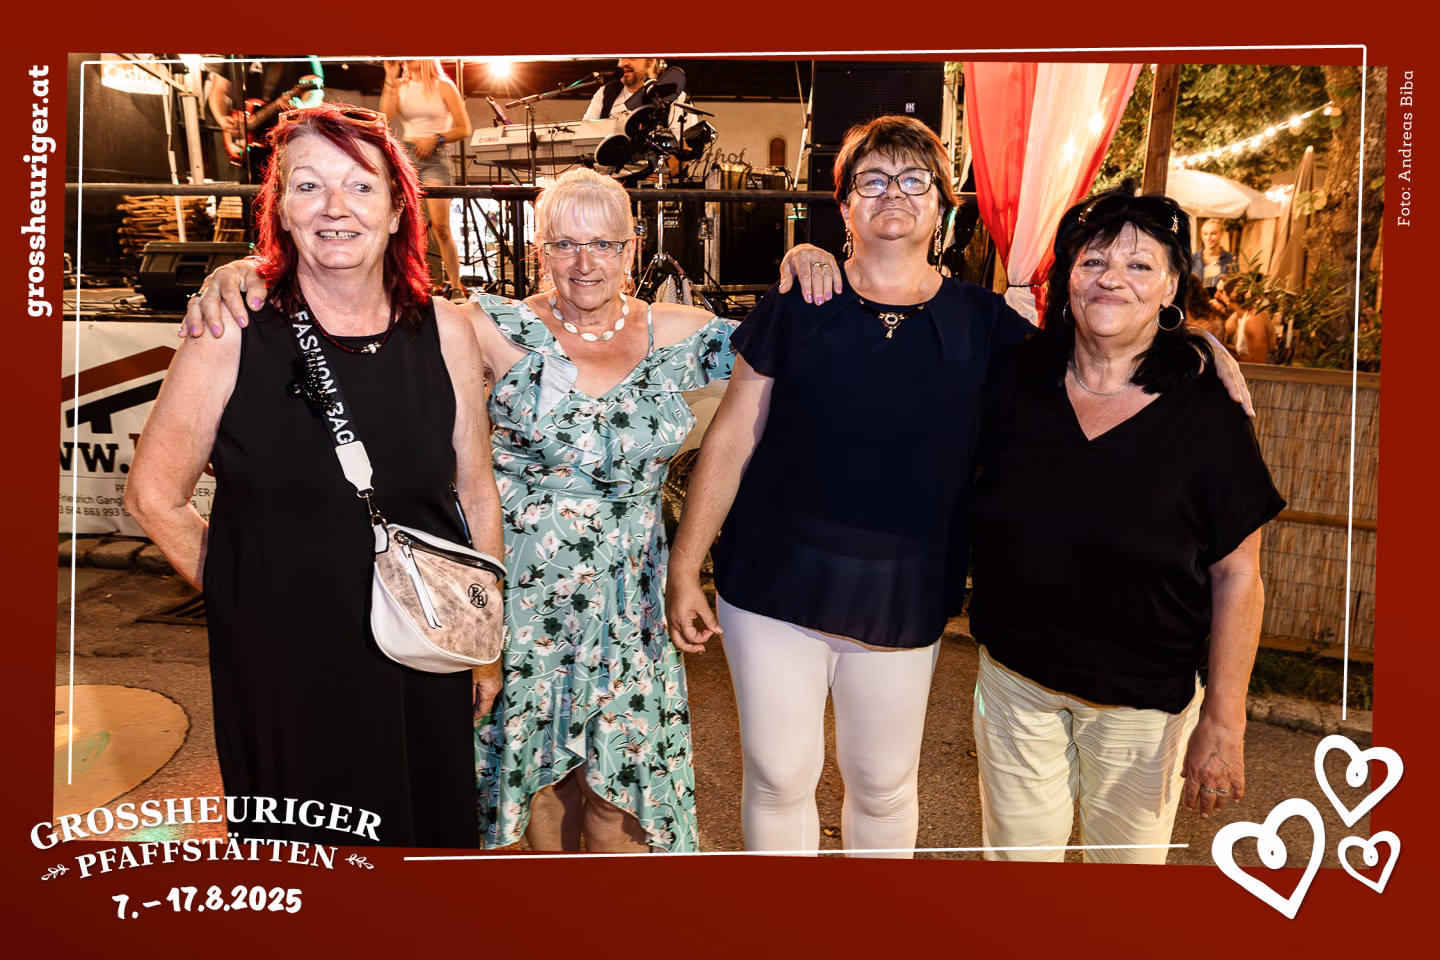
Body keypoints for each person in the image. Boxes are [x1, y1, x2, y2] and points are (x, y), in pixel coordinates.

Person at [180, 167, 733, 854]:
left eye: (603, 244)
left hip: (631, 600)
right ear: (539, 250)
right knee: (536, 789)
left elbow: (787, 352)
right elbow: (360, 305)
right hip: (518, 595)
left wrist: (809, 257)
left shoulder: (681, 333)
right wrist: (247, 273)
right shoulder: (489, 327)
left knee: (624, 792)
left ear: (632, 247)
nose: (584, 263)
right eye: (563, 244)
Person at [126, 103, 504, 849]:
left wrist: (481, 640)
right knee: (307, 867)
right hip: (284, 663)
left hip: (421, 646)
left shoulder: (447, 330)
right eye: (308, 187)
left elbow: (476, 492)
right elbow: (153, 497)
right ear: (281, 211)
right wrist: (248, 599)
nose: (335, 208)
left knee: (424, 853)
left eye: (360, 187)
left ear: (397, 210)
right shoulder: (232, 330)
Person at [665, 116, 1036, 858]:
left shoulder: (987, 323)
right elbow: (731, 437)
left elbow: (1099, 368)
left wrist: (1193, 346)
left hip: (904, 585)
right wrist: (684, 565)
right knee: (778, 777)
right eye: (872, 179)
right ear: (844, 206)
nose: (893, 193)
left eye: (914, 179)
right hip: (771, 578)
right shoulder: (797, 303)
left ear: (943, 205)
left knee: (884, 782)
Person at [965, 184, 1285, 864]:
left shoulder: (1208, 413)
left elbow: (1239, 576)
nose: (1112, 278)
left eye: (1140, 265)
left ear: (1172, 289)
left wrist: (1224, 720)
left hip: (1143, 709)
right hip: (1014, 685)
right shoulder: (1017, 376)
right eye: (1093, 261)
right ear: (1068, 280)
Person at [379, 59, 472, 299]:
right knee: (404, 225)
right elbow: (385, 118)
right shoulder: (400, 86)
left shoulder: (444, 86)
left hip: (435, 157)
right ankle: (412, 283)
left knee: (441, 227)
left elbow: (464, 128)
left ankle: (455, 285)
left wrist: (436, 138)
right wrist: (390, 77)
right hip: (407, 155)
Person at [208, 56, 325, 179]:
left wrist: (299, 107)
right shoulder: (237, 54)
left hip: (286, 142)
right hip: (249, 149)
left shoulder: (302, 53)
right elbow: (219, 89)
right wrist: (222, 119)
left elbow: (314, 92)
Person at [1190, 217, 1236, 297]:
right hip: (1197, 303)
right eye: (1205, 234)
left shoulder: (1230, 259)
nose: (1208, 238)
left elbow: (1235, 288)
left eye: (1213, 233)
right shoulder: (1192, 259)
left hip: (1221, 303)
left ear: (1222, 234)